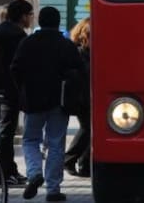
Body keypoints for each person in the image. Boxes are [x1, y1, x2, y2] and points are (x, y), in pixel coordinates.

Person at [11, 7, 83, 201]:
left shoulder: (28, 43)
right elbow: (79, 71)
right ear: (58, 22)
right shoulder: (66, 45)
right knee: (56, 144)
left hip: (33, 101)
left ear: (40, 22)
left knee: (30, 140)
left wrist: (23, 90)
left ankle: (34, 173)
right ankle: (53, 189)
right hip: (59, 102)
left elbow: (15, 69)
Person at [0, 0, 34, 186]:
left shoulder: (2, 30)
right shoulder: (16, 35)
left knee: (1, 128)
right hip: (10, 89)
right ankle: (4, 173)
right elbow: (19, 65)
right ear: (23, 16)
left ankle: (5, 170)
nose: (31, 18)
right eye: (30, 15)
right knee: (6, 130)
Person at [64, 17, 91, 178]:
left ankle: (84, 163)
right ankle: (70, 159)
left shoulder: (87, 52)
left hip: (87, 96)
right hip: (82, 98)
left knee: (90, 130)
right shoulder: (80, 52)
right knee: (88, 129)